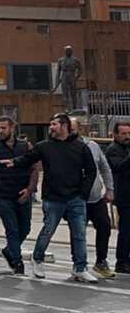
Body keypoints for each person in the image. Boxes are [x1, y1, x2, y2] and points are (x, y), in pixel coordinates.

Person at [20, 112, 99, 282]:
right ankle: (37, 258)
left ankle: (80, 267)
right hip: (53, 197)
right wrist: (13, 162)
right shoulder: (44, 146)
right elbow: (28, 159)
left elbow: (91, 170)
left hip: (76, 197)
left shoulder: (80, 147)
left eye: (54, 124)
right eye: (50, 124)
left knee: (79, 233)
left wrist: (83, 193)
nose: (51, 127)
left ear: (64, 126)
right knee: (48, 230)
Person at [0, 116, 34, 275]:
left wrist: (30, 189)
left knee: (25, 228)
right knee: (12, 230)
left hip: (23, 194)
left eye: (3, 128)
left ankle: (9, 251)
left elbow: (34, 169)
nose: (0, 131)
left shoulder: (26, 146)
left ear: (12, 128)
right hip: (3, 196)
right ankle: (17, 262)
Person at [76, 117, 116, 278]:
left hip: (96, 197)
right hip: (77, 199)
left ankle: (101, 261)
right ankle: (79, 264)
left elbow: (105, 168)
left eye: (73, 129)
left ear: (79, 129)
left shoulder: (92, 146)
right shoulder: (63, 148)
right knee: (78, 232)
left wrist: (110, 189)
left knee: (105, 227)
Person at [107, 120, 130, 274]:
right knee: (126, 230)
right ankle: (122, 261)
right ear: (115, 135)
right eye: (123, 134)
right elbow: (118, 166)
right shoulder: (113, 150)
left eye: (129, 133)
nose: (127, 136)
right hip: (125, 196)